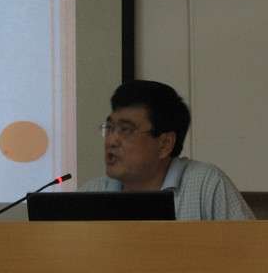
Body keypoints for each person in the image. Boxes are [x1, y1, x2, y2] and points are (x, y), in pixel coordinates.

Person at [79, 80, 255, 220]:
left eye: (126, 130)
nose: (111, 141)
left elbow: (252, 250)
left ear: (165, 144)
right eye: (109, 127)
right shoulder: (91, 193)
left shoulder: (206, 185)